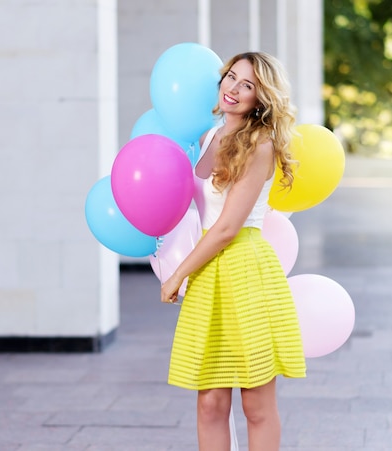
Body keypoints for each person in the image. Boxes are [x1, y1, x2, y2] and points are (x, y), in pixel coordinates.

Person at [160, 52, 307, 451]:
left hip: (245, 271)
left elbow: (226, 228)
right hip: (208, 273)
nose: (233, 88)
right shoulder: (209, 137)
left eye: (248, 85)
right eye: (231, 76)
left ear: (262, 99)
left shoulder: (260, 145)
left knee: (256, 403)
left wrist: (178, 274)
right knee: (209, 403)